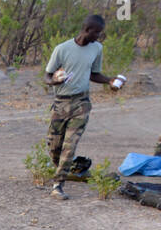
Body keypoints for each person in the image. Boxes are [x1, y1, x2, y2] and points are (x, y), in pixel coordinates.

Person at [42, 14, 122, 200]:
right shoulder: (62, 49)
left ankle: (58, 185)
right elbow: (46, 76)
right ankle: (75, 168)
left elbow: (93, 74)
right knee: (54, 147)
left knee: (70, 145)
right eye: (97, 33)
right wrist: (54, 80)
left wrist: (109, 80)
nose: (99, 37)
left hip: (81, 103)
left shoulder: (97, 49)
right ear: (87, 30)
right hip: (61, 102)